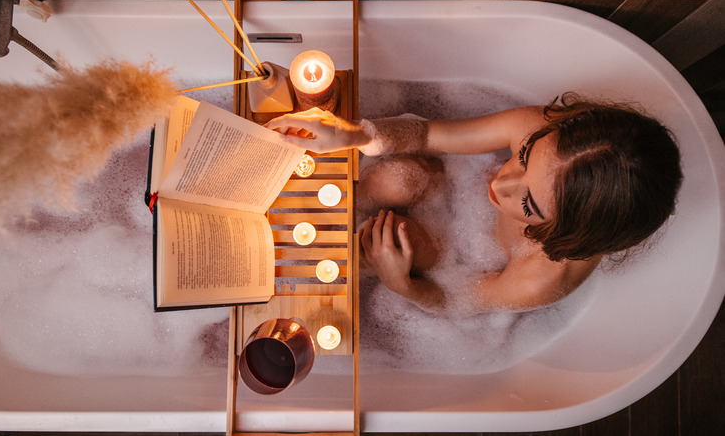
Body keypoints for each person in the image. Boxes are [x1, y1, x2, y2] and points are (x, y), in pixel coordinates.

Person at [265, 93, 683, 313]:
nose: (501, 184)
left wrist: (401, 284)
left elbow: (455, 301)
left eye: (530, 205)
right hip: (444, 189)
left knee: (394, 242)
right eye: (522, 159)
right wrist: (355, 134)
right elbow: (429, 134)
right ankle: (319, 201)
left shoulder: (543, 277)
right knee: (396, 178)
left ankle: (293, 263)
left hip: (460, 257)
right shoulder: (548, 133)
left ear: (566, 236)